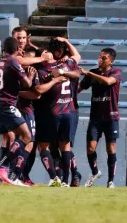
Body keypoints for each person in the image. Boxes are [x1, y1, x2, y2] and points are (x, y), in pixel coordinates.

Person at [15, 47, 66, 186]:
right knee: (26, 144)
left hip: (40, 112)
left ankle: (21, 176)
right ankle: (18, 176)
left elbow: (37, 93)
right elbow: (36, 92)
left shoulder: (37, 71)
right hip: (25, 111)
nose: (27, 63)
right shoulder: (19, 70)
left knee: (37, 146)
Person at [33, 38, 81, 187]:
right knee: (65, 147)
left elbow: (37, 91)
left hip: (51, 112)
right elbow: (77, 56)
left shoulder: (42, 69)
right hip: (69, 111)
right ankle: (65, 181)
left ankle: (54, 177)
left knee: (43, 146)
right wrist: (66, 41)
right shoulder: (67, 64)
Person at [0, 37, 36, 186]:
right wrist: (30, 75)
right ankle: (2, 167)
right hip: (6, 105)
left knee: (7, 138)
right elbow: (27, 84)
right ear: (17, 49)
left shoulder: (0, 61)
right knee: (27, 136)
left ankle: (1, 177)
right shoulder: (12, 62)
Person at [78, 48, 122, 189]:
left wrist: (88, 73)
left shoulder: (116, 72)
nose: (100, 60)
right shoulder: (93, 73)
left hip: (111, 117)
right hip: (96, 117)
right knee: (90, 148)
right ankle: (95, 172)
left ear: (111, 61)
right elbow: (79, 88)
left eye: (104, 58)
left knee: (111, 148)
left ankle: (110, 181)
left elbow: (108, 82)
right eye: (99, 57)